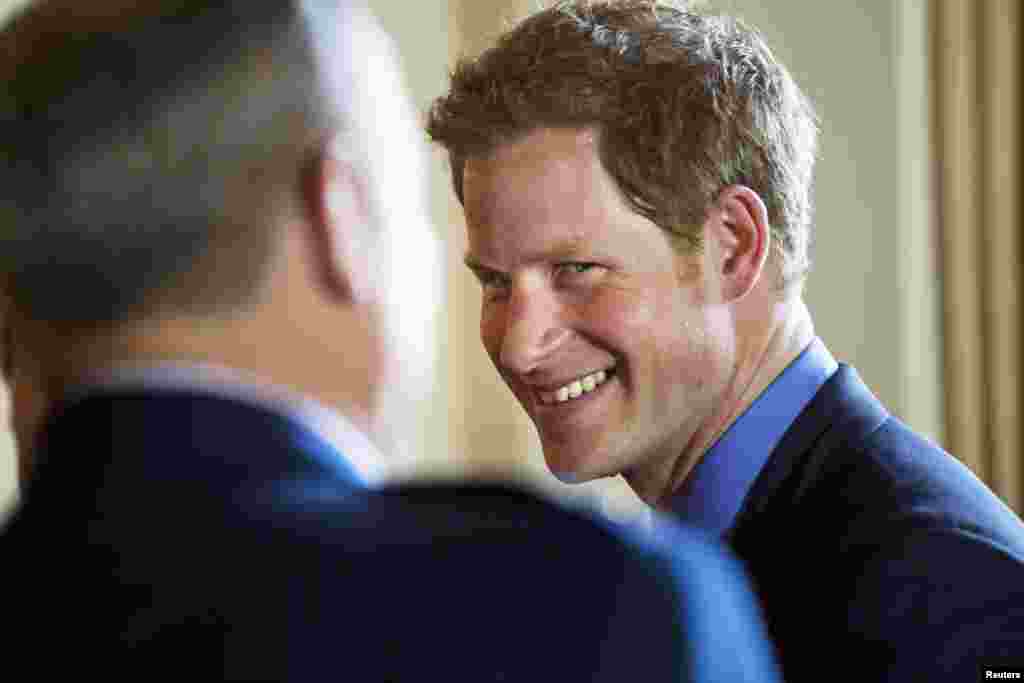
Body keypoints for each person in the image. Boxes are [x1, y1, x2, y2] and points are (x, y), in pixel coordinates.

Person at [0, 1, 783, 680]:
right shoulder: (606, 619)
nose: (515, 345)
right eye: (410, 205)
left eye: (575, 267)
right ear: (339, 215)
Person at [427, 1, 1024, 680]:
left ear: (733, 246)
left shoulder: (950, 598)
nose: (517, 346)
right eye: (497, 283)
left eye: (575, 271)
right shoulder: (671, 578)